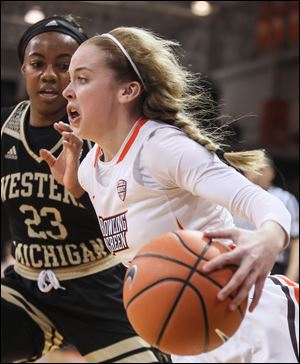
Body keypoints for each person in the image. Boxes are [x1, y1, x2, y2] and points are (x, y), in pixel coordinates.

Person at [41, 27, 299, 363]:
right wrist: (73, 183)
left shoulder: (161, 147)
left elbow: (263, 203)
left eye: (82, 78)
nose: (68, 91)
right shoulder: (90, 168)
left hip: (251, 323)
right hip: (187, 338)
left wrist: (267, 240)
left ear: (127, 90)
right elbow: (121, 201)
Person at [1, 18, 167, 363]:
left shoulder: (103, 134)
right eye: (37, 64)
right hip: (28, 286)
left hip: (98, 285)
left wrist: (80, 190)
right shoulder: (4, 129)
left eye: (64, 67)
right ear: (24, 69)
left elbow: (134, 218)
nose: (49, 75)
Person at [234, 157, 299, 282]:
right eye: (252, 169)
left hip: (274, 265)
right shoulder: (236, 196)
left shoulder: (285, 198)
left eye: (261, 169)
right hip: (238, 261)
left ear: (272, 172)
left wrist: (290, 278)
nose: (256, 174)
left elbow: (296, 242)